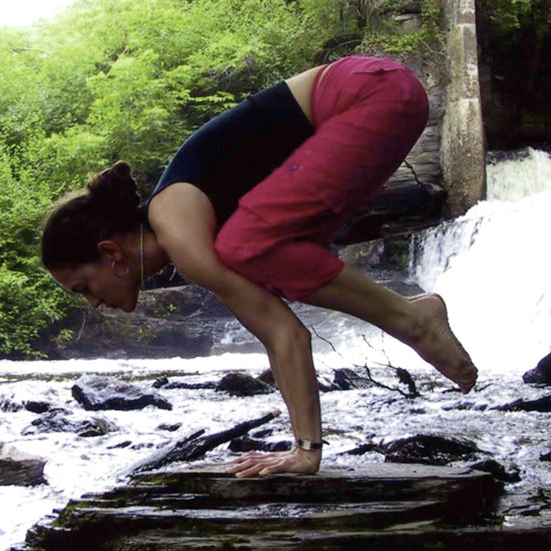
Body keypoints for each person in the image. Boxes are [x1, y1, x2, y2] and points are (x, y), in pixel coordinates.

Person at [41, 56, 477, 478]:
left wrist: (305, 453)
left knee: (244, 247)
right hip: (383, 92)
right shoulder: (187, 230)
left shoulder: (178, 229)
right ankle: (413, 316)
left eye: (84, 287)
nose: (93, 302)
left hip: (371, 92)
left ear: (111, 253)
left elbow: (285, 333)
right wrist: (299, 446)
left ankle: (412, 318)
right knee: (263, 256)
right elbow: (277, 332)